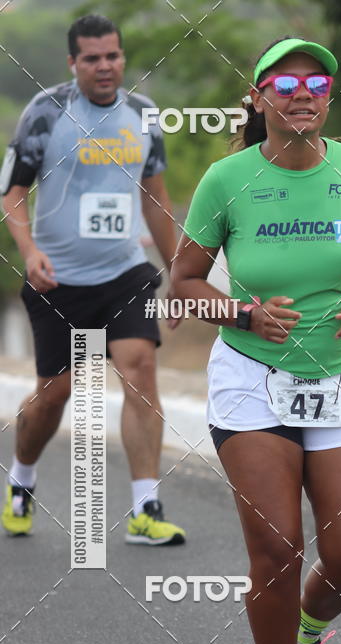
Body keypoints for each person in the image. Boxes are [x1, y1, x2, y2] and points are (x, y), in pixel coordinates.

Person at [170, 36, 341, 644]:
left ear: (329, 96)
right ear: (261, 95)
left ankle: (307, 637)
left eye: (317, 81)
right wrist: (242, 312)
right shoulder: (226, 180)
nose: (303, 92)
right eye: (286, 81)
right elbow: (180, 285)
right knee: (277, 551)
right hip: (251, 380)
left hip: (339, 377)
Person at [1, 14, 185, 545]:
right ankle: (22, 479)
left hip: (124, 272)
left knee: (141, 367)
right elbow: (12, 191)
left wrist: (179, 273)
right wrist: (29, 251)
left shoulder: (144, 115)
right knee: (55, 395)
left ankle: (145, 507)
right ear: (73, 63)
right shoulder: (46, 112)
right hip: (57, 279)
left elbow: (155, 196)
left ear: (122, 58)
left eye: (113, 56)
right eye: (92, 58)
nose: (105, 67)